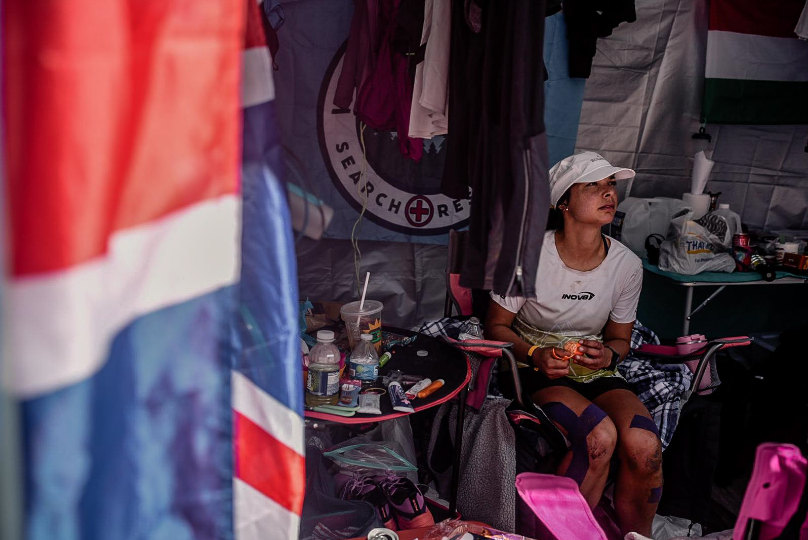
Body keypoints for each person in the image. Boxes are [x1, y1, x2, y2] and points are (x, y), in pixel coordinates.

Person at [485, 151, 662, 537]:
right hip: (536, 368)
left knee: (645, 446)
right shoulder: (525, 257)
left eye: (611, 185)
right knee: (599, 438)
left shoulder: (627, 265)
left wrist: (609, 353)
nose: (608, 193)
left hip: (593, 369)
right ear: (563, 201)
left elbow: (620, 339)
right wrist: (535, 354)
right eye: (594, 186)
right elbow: (496, 327)